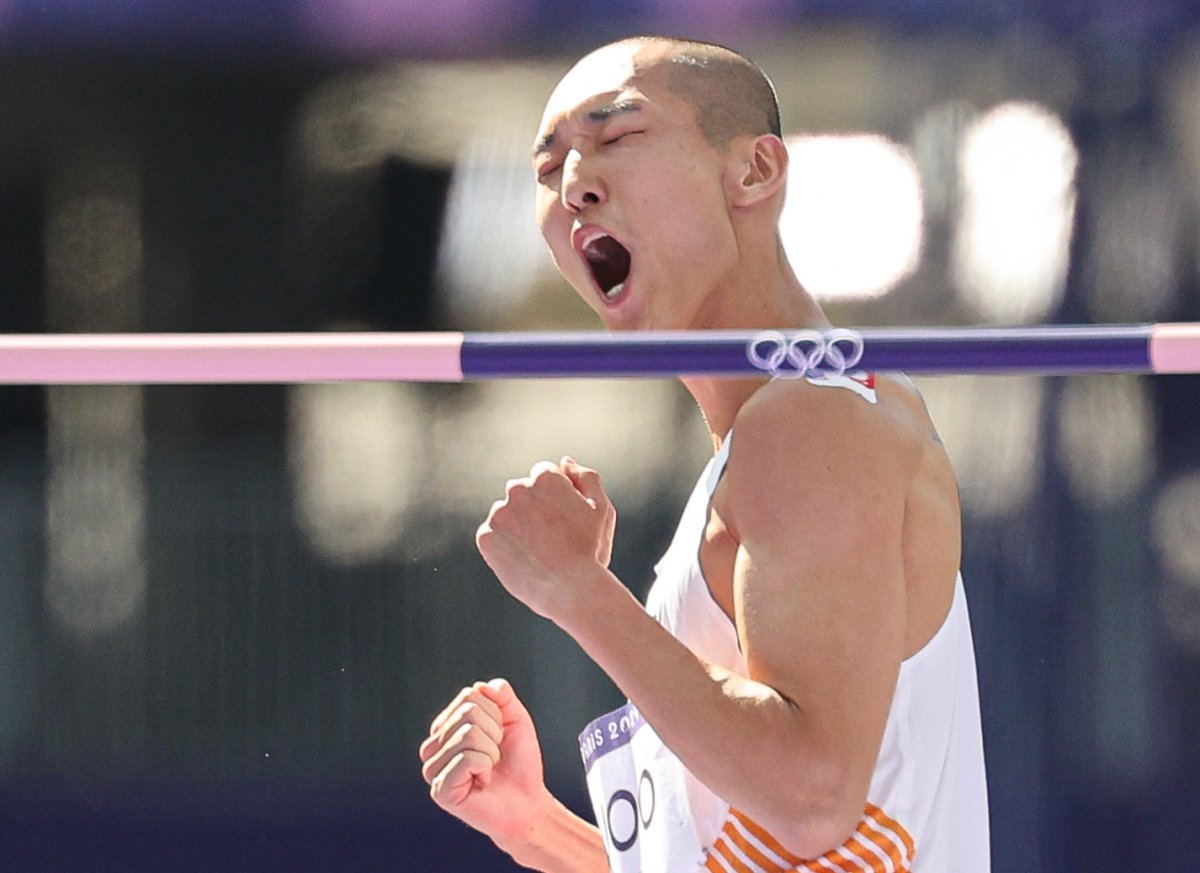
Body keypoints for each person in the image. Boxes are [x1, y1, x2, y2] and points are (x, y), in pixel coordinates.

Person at [418, 35, 989, 872]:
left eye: (618, 138)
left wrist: (579, 593)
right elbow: (779, 844)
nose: (574, 184)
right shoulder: (770, 437)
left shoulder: (812, 423)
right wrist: (535, 826)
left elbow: (813, 797)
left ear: (754, 173)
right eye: (548, 170)